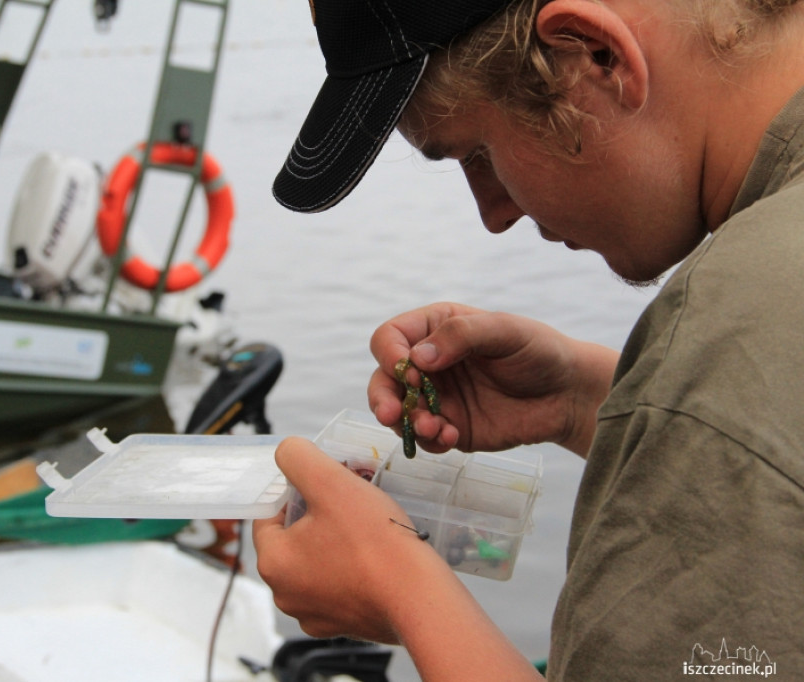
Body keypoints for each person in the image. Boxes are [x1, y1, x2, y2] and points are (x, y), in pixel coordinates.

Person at [253, 1, 804, 680]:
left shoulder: (737, 325)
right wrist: (588, 400)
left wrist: (401, 589)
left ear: (593, 56)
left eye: (477, 154)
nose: (493, 215)